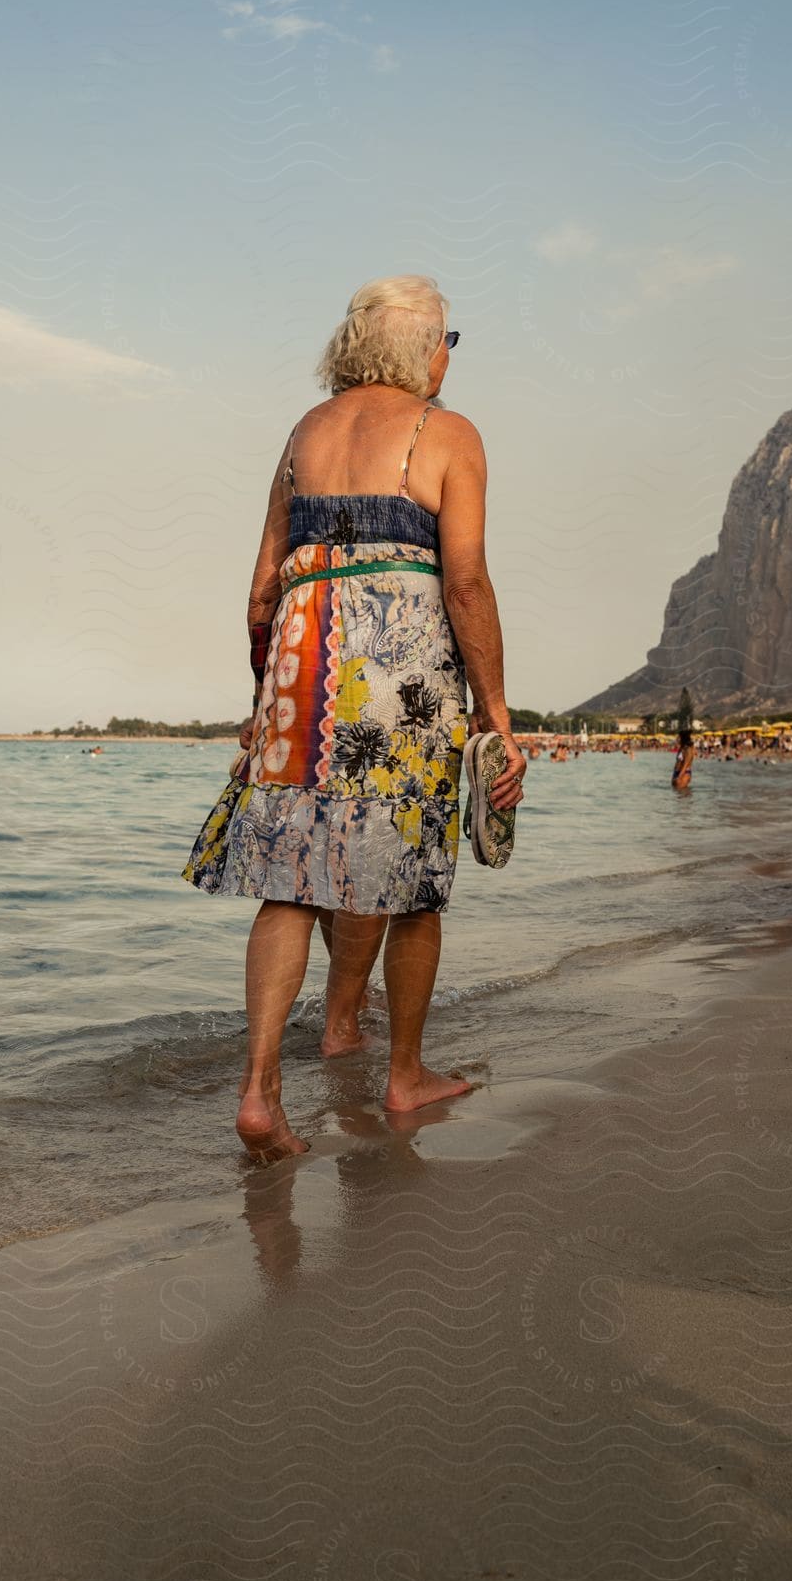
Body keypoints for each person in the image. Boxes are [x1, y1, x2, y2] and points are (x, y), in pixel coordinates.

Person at [181, 275, 526, 1162]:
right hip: (397, 673)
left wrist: (269, 691)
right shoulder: (446, 434)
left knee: (288, 885)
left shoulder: (305, 434)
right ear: (421, 349)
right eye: (448, 339)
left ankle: (260, 1094)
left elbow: (262, 582)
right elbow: (465, 582)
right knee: (408, 882)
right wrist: (495, 712)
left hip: (300, 661)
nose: (450, 356)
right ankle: (403, 1074)